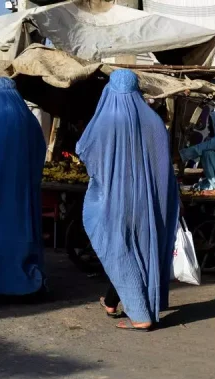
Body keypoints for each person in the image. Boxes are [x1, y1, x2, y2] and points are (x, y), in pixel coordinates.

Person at [77, 69, 179, 332]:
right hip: (148, 203)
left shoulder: (105, 121)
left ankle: (139, 314)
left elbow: (84, 151)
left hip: (114, 201)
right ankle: (118, 301)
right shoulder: (153, 120)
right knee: (143, 250)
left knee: (119, 250)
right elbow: (163, 166)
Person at [0, 77, 46, 296]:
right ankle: (27, 277)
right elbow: (40, 148)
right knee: (24, 230)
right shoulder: (28, 118)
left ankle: (0, 282)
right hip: (23, 190)